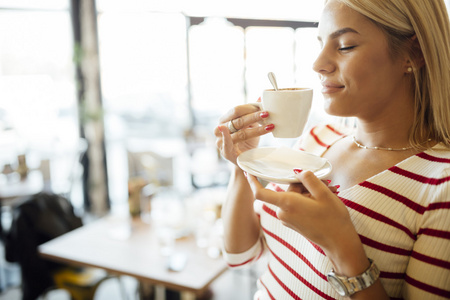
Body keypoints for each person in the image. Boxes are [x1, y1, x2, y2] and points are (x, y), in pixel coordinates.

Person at [214, 0, 450, 299]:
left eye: (345, 45)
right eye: (321, 43)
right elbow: (240, 254)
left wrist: (341, 245)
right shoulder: (317, 140)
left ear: (413, 54)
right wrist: (241, 163)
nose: (317, 64)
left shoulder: (441, 186)